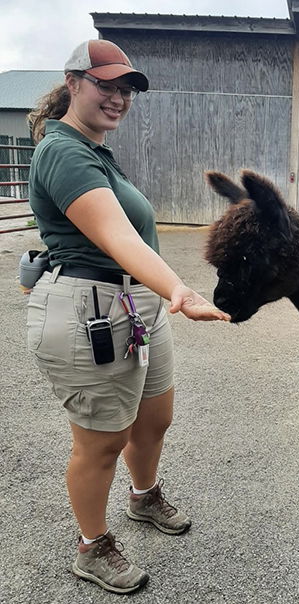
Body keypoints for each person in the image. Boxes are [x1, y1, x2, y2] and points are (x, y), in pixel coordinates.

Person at [25, 39, 230, 594]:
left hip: (134, 305)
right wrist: (179, 289)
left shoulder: (95, 152)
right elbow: (116, 237)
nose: (117, 98)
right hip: (90, 309)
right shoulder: (63, 151)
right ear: (73, 83)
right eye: (105, 85)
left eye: (126, 89)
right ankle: (92, 547)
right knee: (101, 443)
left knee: (154, 420)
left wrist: (161, 292)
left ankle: (143, 498)